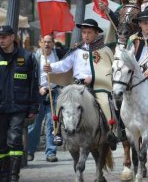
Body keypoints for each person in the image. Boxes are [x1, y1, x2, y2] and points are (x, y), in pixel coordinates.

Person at [43, 19, 118, 150]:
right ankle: (58, 133)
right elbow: (64, 65)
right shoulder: (76, 49)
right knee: (60, 101)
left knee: (105, 103)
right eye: (84, 32)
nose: (86, 35)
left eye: (89, 32)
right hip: (76, 86)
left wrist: (93, 77)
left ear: (96, 33)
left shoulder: (105, 50)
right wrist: (51, 67)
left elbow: (110, 69)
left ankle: (111, 132)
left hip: (97, 86)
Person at [0, 25, 39, 181]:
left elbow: (33, 85)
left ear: (12, 37)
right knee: (1, 143)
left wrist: (33, 107)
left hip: (19, 107)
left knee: (15, 139)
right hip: (1, 107)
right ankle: (3, 175)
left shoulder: (27, 57)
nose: (1, 40)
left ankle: (14, 175)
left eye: (4, 37)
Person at [27, 35, 59, 163]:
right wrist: (39, 87)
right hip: (38, 94)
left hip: (53, 93)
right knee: (35, 124)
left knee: (52, 124)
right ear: (40, 43)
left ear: (53, 43)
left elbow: (62, 73)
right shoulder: (34, 57)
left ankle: (51, 152)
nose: (46, 44)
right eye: (44, 42)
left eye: (49, 42)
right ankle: (29, 151)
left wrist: (50, 88)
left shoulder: (58, 56)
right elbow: (30, 76)